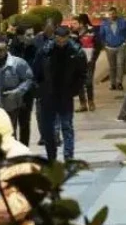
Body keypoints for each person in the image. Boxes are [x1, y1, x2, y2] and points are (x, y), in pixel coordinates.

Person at [30, 26, 86, 161]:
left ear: (68, 38)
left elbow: (82, 74)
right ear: (54, 38)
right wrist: (40, 90)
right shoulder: (45, 51)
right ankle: (52, 157)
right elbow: (36, 72)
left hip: (66, 95)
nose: (61, 43)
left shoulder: (76, 52)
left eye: (63, 41)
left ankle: (69, 157)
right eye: (58, 40)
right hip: (49, 95)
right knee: (50, 130)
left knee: (67, 127)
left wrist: (74, 90)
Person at [98, 7, 126, 91]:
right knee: (112, 67)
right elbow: (101, 35)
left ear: (116, 13)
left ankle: (119, 83)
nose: (112, 15)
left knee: (120, 65)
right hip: (109, 47)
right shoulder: (104, 24)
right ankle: (112, 83)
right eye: (110, 14)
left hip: (120, 46)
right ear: (108, 15)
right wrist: (105, 45)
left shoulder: (123, 22)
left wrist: (125, 43)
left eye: (113, 13)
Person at [75, 14, 98, 112]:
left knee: (88, 82)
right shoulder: (76, 33)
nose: (78, 24)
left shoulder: (92, 31)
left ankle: (91, 102)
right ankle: (82, 104)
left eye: (79, 22)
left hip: (89, 59)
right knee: (80, 82)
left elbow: (98, 44)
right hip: (79, 60)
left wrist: (94, 57)